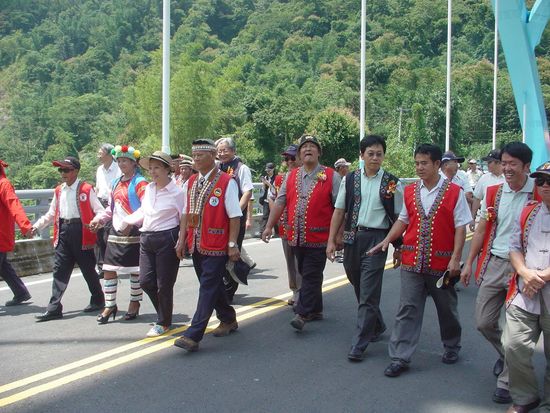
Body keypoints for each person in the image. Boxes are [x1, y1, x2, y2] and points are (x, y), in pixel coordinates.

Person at [369, 143, 470, 377]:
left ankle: (452, 345)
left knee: (446, 308)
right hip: (412, 260)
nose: (419, 168)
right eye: (416, 163)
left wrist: (456, 259)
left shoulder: (454, 192)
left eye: (424, 163)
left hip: (441, 263)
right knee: (407, 308)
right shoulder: (410, 191)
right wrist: (388, 240)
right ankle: (400, 356)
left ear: (437, 164)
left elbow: (460, 227)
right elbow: (403, 220)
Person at [460, 142, 537, 404]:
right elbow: (482, 229)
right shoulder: (494, 193)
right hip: (494, 263)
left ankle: (506, 382)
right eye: (504, 163)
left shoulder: (538, 191)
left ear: (526, 167)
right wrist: (469, 262)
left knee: (515, 329)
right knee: (484, 321)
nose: (506, 168)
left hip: (524, 268)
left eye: (512, 163)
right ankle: (509, 357)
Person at [326, 135, 403, 362]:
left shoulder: (392, 183)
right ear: (362, 155)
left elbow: (400, 217)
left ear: (383, 156)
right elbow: (339, 210)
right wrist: (331, 240)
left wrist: (397, 245)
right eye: (370, 154)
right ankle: (376, 324)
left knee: (369, 291)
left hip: (378, 239)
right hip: (352, 237)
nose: (375, 158)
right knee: (357, 282)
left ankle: (359, 342)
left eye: (379, 154)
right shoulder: (350, 179)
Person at [262, 135, 341, 331]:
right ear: (299, 154)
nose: (308, 149)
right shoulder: (291, 176)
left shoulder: (331, 176)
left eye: (312, 146)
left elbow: (340, 208)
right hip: (296, 237)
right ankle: (316, 309)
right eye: (304, 147)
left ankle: (302, 313)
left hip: (320, 238)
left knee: (311, 275)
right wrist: (269, 226)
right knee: (307, 273)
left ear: (319, 152)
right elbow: (280, 202)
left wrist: (337, 236)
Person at [173, 139, 242, 352]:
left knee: (207, 286)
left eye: (200, 155)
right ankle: (228, 318)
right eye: (194, 155)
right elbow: (185, 212)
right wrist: (181, 239)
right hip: (196, 242)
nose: (196, 159)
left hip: (217, 244)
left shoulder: (227, 181)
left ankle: (193, 334)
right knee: (213, 285)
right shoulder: (191, 182)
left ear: (213, 156)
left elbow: (235, 215)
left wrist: (232, 243)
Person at [32, 156, 105, 321]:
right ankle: (54, 307)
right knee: (59, 270)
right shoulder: (59, 190)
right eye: (61, 170)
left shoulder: (86, 189)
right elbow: (52, 213)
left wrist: (96, 221)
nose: (62, 173)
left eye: (66, 170)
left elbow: (100, 211)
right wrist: (36, 226)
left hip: (81, 231)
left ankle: (98, 299)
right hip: (64, 231)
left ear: (76, 171)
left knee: (88, 269)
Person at [504, 161, 550, 413]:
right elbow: (514, 246)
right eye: (540, 181)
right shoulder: (528, 211)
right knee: (513, 346)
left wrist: (539, 276)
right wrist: (524, 272)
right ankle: (525, 397)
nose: (545, 186)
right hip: (525, 293)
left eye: (549, 181)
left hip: (539, 286)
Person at [123, 151, 185, 337]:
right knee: (145, 281)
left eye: (157, 168)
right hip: (147, 237)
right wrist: (127, 221)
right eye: (150, 168)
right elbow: (144, 211)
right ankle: (164, 313)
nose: (153, 172)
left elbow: (183, 217)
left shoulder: (177, 192)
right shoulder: (149, 189)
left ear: (167, 169)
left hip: (167, 237)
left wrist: (181, 241)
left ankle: (163, 322)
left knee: (164, 284)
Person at [89, 145, 147, 324]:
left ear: (134, 163)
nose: (121, 164)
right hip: (115, 230)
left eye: (125, 161)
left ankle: (134, 302)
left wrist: (131, 222)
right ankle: (110, 305)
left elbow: (147, 207)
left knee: (135, 270)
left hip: (134, 230)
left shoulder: (140, 183)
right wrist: (99, 219)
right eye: (119, 161)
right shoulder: (115, 183)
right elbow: (111, 208)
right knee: (109, 269)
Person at [216, 137, 254, 302]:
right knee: (219, 254)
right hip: (218, 219)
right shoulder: (217, 168)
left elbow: (247, 192)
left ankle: (229, 291)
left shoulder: (241, 168)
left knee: (232, 253)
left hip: (235, 220)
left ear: (233, 151)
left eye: (225, 150)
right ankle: (223, 288)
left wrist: (235, 212)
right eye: (219, 151)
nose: (221, 153)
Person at [270, 144, 302, 306]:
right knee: (290, 262)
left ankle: (306, 293)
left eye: (292, 158)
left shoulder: (314, 176)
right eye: (286, 159)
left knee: (303, 263)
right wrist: (273, 221)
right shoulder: (279, 179)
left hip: (305, 228)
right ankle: (296, 291)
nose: (289, 161)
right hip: (285, 228)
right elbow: (272, 198)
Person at [0, 159, 33, 306]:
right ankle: (21, 292)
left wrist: (25, 226)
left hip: (1, 234)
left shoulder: (3, 184)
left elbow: (14, 205)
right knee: (3, 266)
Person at [95, 143, 122, 278]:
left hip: (113, 204)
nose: (98, 155)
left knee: (108, 235)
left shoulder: (118, 168)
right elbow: (98, 188)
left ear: (109, 154)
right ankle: (102, 267)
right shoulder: (99, 169)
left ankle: (111, 265)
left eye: (101, 152)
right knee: (99, 236)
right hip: (100, 203)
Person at [470, 149, 504, 231]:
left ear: (498, 162)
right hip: (486, 220)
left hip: (504, 221)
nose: (487, 164)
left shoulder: (508, 179)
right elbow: (477, 199)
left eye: (489, 162)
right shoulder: (484, 178)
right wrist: (473, 218)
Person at [259, 162, 276, 234]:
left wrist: (267, 183)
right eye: (267, 171)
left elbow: (275, 190)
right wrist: (264, 183)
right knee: (265, 216)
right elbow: (263, 190)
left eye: (269, 170)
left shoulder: (276, 178)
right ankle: (262, 232)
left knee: (275, 215)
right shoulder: (266, 177)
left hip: (274, 199)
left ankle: (277, 232)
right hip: (266, 199)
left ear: (273, 169)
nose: (268, 172)